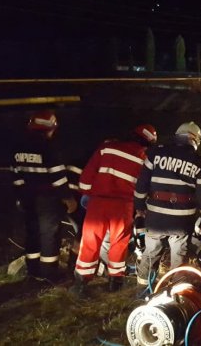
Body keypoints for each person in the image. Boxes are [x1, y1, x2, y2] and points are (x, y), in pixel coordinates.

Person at [71, 124, 158, 295]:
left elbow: (85, 181)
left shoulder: (107, 148)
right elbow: (145, 189)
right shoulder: (145, 159)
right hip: (124, 207)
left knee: (90, 242)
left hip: (98, 203)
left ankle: (81, 283)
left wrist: (89, 194)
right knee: (119, 244)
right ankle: (115, 282)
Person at [135, 122, 201, 286]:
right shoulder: (199, 161)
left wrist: (139, 208)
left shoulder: (156, 153)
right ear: (195, 140)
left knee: (150, 252)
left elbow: (141, 185)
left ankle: (141, 288)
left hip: (155, 216)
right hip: (181, 219)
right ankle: (176, 293)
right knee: (179, 255)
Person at [12, 110, 77, 282]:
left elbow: (15, 175)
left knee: (32, 232)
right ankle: (49, 273)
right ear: (50, 128)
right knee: (49, 235)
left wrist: (20, 196)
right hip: (47, 198)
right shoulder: (49, 147)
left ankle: (33, 271)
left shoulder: (18, 145)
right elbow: (57, 176)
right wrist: (68, 198)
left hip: (27, 197)